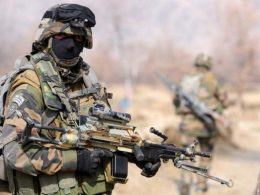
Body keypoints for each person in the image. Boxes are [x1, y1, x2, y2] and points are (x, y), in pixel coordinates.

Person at [0, 4, 160, 195]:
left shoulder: (87, 80)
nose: (71, 44)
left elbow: (102, 137)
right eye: (63, 37)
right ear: (47, 39)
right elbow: (14, 152)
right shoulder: (30, 83)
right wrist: (75, 161)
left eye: (77, 38)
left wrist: (137, 154)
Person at [173, 53, 227, 194]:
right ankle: (201, 186)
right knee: (205, 155)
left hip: (188, 126)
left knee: (186, 154)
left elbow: (177, 101)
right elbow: (224, 100)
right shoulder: (213, 80)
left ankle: (185, 184)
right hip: (206, 127)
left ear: (196, 64)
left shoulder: (187, 80)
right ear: (209, 65)